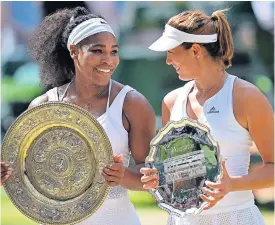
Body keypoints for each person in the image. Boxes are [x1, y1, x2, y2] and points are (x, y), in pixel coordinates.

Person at [140, 9, 274, 225]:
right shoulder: (171, 102)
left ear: (195, 50)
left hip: (237, 218)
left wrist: (233, 185)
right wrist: (160, 177)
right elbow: (178, 173)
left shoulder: (247, 97)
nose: (167, 60)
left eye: (171, 52)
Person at [27, 7, 156, 225]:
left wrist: (124, 176)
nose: (109, 60)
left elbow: (150, 177)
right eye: (97, 51)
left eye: (114, 51)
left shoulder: (132, 104)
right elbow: (29, 172)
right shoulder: (44, 106)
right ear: (74, 51)